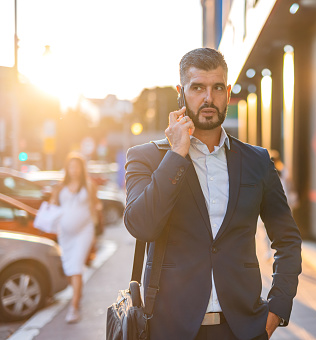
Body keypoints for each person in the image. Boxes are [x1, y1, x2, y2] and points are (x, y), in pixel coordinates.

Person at [124, 47, 302, 340]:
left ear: (228, 92)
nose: (208, 98)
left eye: (217, 87)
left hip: (242, 329)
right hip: (168, 328)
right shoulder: (145, 157)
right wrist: (177, 155)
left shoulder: (256, 160)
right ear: (181, 93)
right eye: (198, 88)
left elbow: (287, 238)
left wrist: (277, 309)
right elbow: (142, 225)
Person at [50, 152, 101, 323]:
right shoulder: (60, 187)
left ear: (81, 168)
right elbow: (53, 206)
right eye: (71, 167)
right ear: (67, 168)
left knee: (76, 266)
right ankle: (78, 293)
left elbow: (95, 206)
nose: (74, 170)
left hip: (84, 232)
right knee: (69, 268)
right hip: (65, 234)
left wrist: (94, 231)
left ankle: (74, 307)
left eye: (77, 167)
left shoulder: (88, 185)